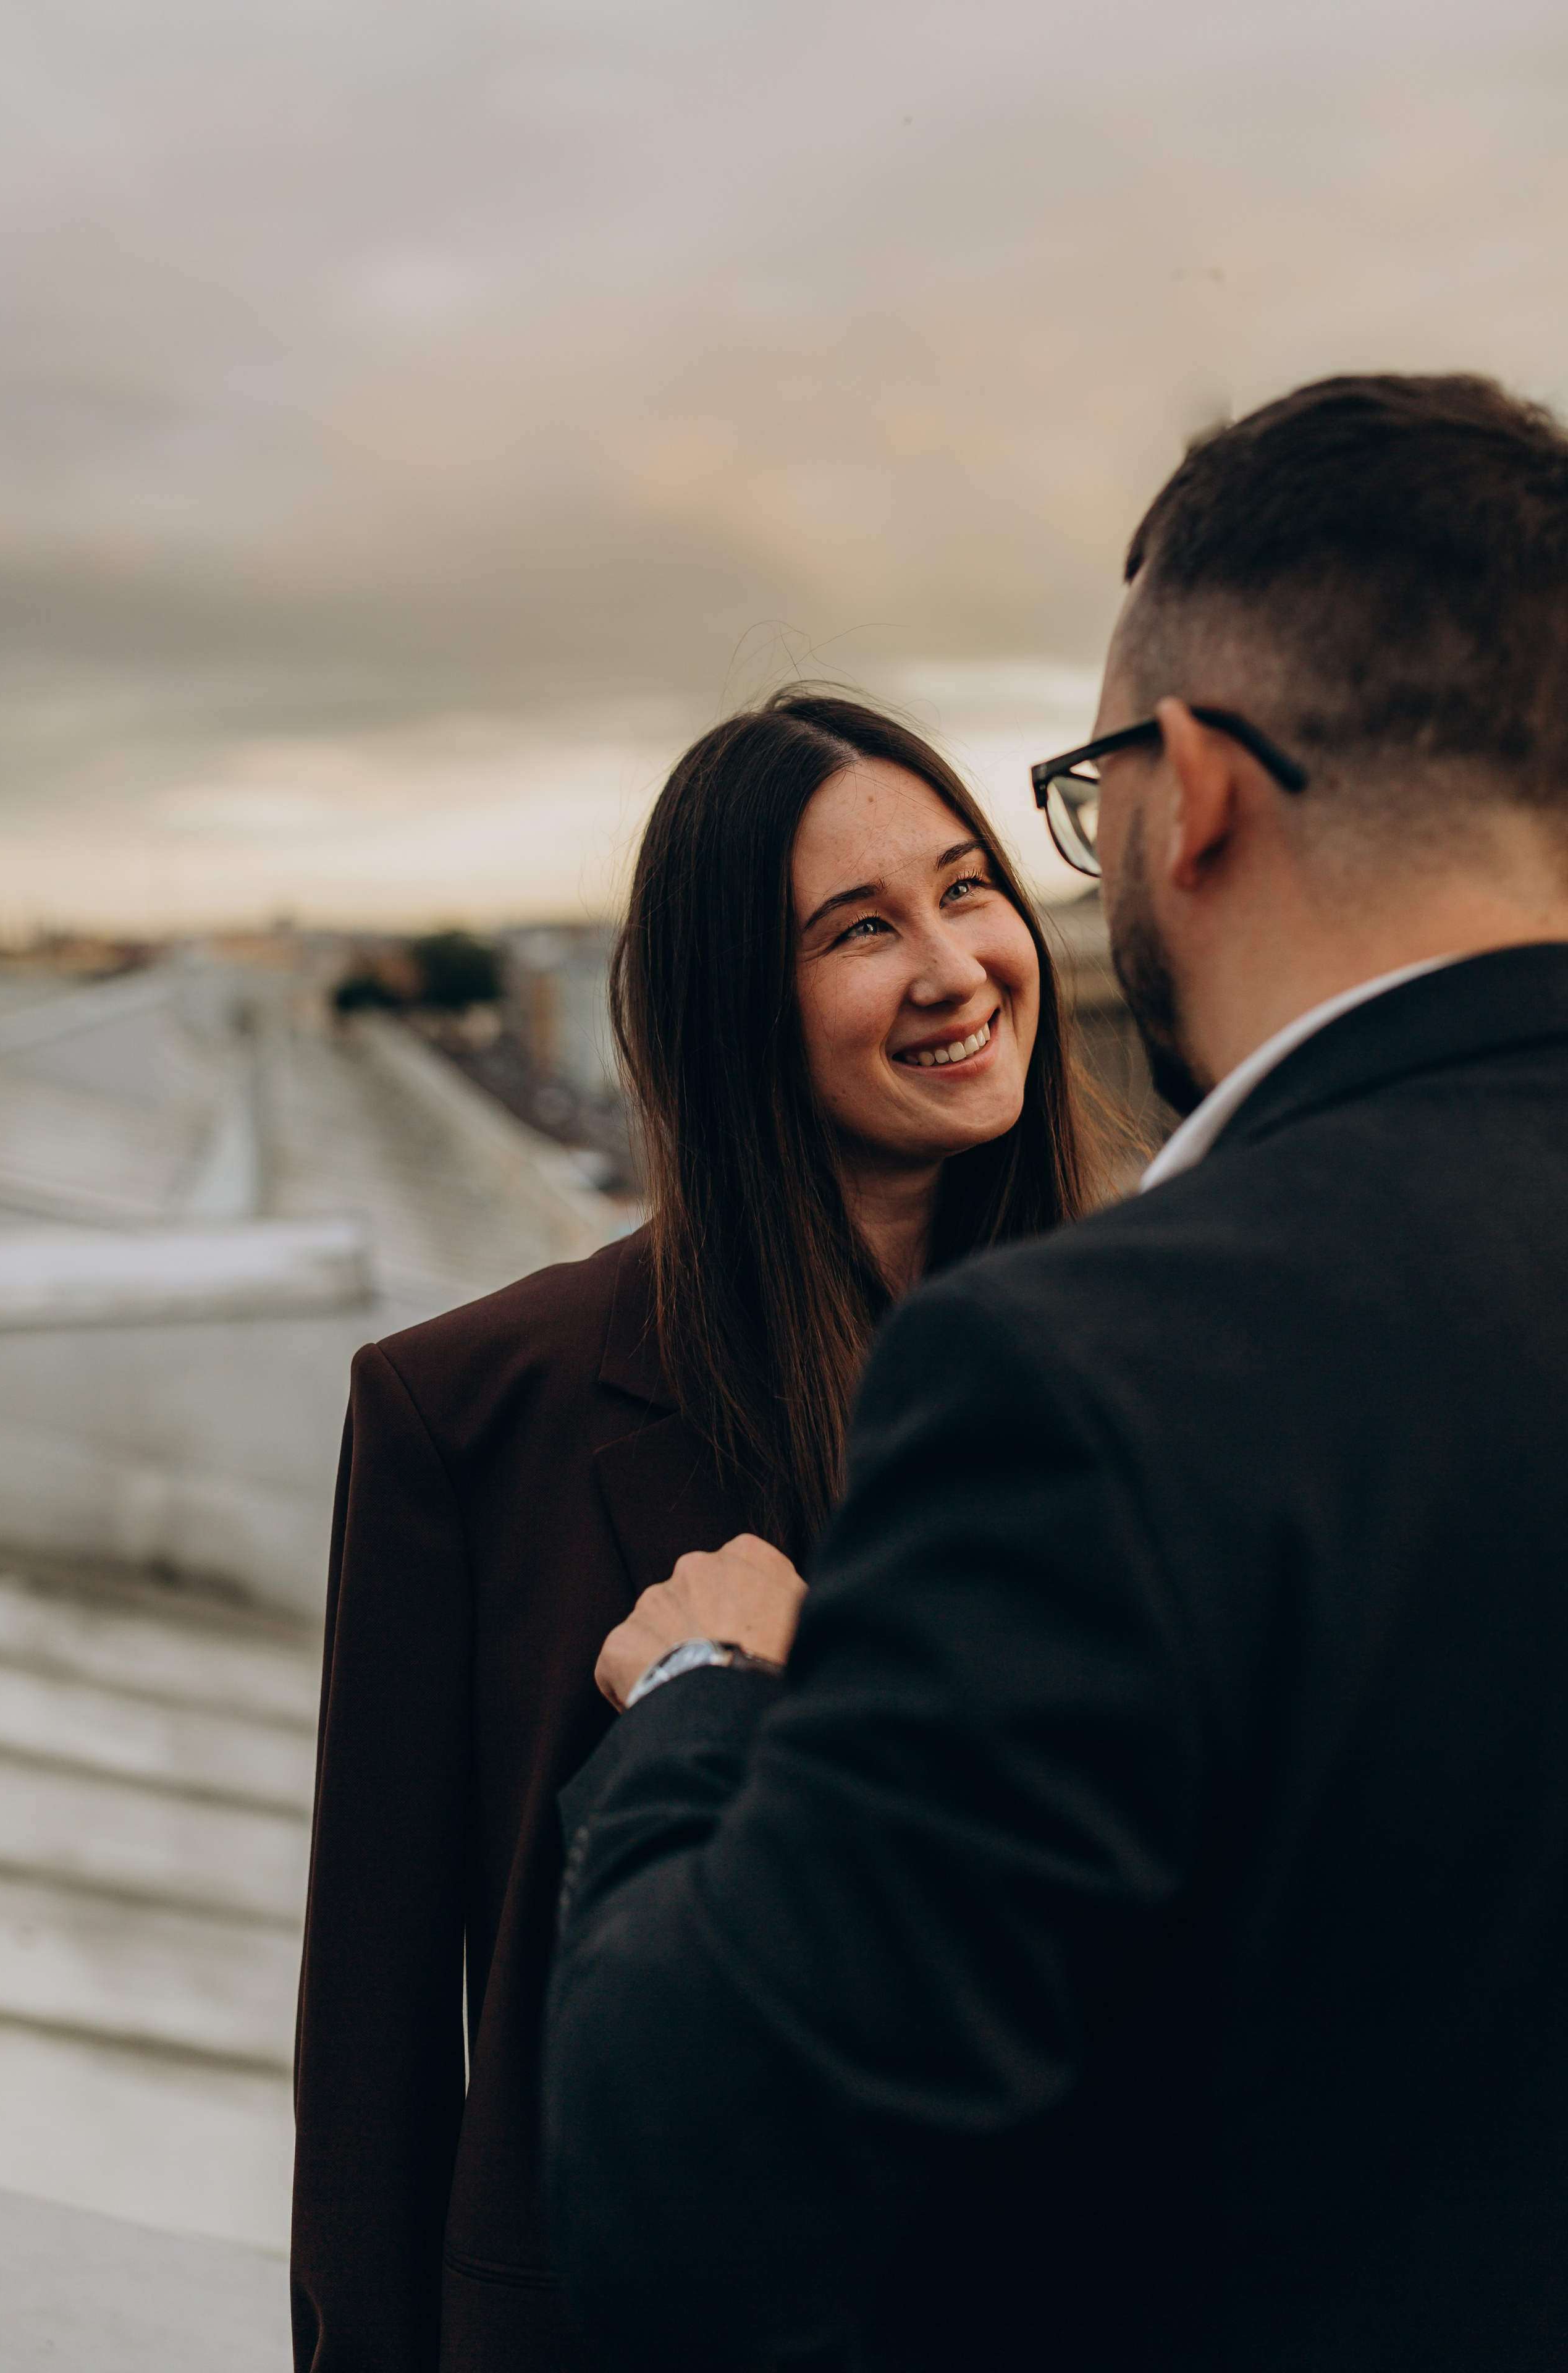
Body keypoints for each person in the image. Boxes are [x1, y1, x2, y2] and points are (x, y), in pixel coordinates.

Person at [544, 374, 1568, 2373]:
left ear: (1189, 794)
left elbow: (690, 2196)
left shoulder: (1098, 1376)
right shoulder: (507, 1394)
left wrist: (693, 1707)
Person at [290, 689, 1119, 2372]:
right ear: (737, 1008)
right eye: (862, 929)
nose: (958, 966)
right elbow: (373, 2072)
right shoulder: (467, 1412)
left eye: (970, 889)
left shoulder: (1161, 1365)